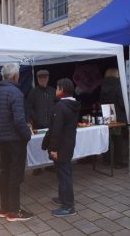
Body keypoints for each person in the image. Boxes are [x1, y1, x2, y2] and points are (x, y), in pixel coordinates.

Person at [0, 63, 33, 222]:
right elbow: (19, 120)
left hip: (2, 140)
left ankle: (4, 208)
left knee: (4, 174)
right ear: (15, 76)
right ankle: (14, 212)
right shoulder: (16, 93)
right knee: (15, 175)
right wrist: (27, 135)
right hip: (15, 141)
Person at [46, 78, 80, 217]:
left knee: (64, 174)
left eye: (57, 88)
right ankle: (63, 198)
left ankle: (68, 206)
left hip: (61, 145)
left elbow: (56, 130)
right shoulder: (73, 104)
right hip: (68, 143)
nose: (56, 90)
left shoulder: (61, 106)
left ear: (62, 90)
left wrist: (53, 148)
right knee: (64, 172)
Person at [26, 69, 56, 175]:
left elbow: (57, 105)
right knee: (38, 145)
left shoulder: (53, 91)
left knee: (51, 144)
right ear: (38, 79)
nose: (43, 79)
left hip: (51, 123)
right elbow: (29, 108)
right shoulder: (33, 92)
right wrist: (36, 117)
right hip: (38, 124)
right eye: (40, 78)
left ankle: (49, 164)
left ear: (48, 78)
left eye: (45, 77)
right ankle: (37, 167)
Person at [100, 68, 127, 168]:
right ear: (115, 74)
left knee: (108, 136)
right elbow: (121, 99)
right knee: (118, 137)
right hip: (117, 112)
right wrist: (125, 108)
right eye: (118, 73)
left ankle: (106, 159)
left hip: (106, 111)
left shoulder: (103, 84)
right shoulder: (117, 83)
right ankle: (118, 162)